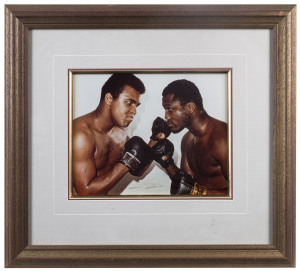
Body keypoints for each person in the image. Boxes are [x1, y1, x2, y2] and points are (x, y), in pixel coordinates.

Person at [72, 73, 153, 196]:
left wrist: (155, 141)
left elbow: (138, 170)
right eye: (129, 102)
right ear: (109, 98)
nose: (134, 111)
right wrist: (128, 161)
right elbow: (85, 192)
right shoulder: (81, 133)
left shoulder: (122, 133)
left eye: (136, 105)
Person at [150, 79, 229, 196]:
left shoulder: (223, 138)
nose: (166, 116)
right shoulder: (187, 140)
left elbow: (241, 193)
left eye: (170, 109)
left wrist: (199, 193)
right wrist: (167, 162)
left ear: (190, 107)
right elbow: (186, 185)